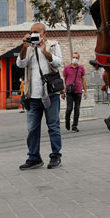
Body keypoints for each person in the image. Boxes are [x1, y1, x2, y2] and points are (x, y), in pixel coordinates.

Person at [16, 23, 63, 169]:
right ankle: (34, 157)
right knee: (32, 128)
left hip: (51, 94)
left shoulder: (53, 45)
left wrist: (45, 52)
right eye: (30, 32)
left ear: (44, 33)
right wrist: (24, 47)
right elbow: (20, 64)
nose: (32, 34)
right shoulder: (28, 48)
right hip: (33, 95)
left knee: (53, 126)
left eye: (35, 32)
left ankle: (55, 156)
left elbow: (58, 62)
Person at [62, 52, 86, 133]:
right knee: (69, 108)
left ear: (78, 59)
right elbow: (64, 80)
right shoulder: (67, 68)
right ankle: (67, 120)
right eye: (73, 57)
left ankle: (74, 126)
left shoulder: (81, 68)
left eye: (76, 57)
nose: (74, 59)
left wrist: (85, 90)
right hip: (69, 91)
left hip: (78, 91)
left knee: (77, 109)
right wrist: (63, 91)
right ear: (71, 58)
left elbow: (83, 79)